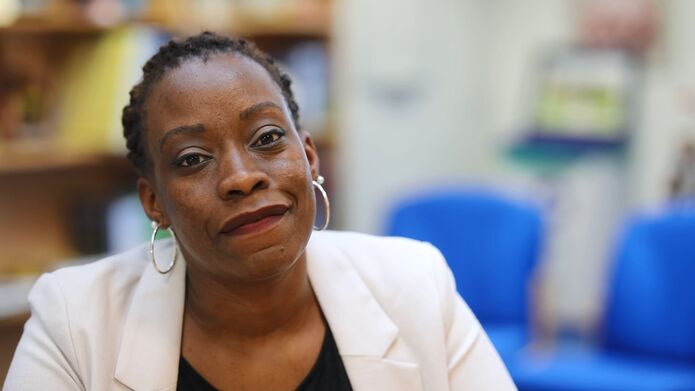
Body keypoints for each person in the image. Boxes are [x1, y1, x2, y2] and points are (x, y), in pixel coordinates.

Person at [4, 32, 515, 390]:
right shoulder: (73, 318)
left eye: (268, 138)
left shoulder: (414, 282)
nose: (240, 177)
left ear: (309, 155)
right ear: (154, 202)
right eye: (192, 159)